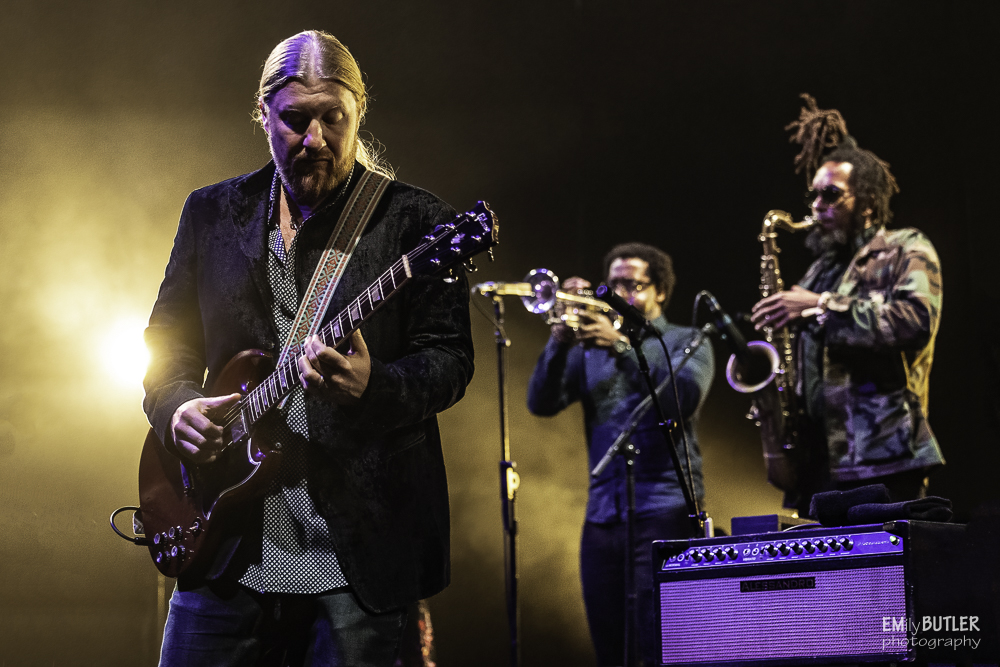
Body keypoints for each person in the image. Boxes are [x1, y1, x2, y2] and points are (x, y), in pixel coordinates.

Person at [142, 30, 474, 666]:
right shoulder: (211, 212)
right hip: (227, 542)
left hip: (357, 553)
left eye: (333, 118)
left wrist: (376, 387)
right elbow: (167, 342)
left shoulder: (417, 222)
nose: (315, 139)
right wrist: (176, 406)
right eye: (295, 119)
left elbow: (451, 361)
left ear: (359, 113)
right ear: (263, 113)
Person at [750, 94, 944, 514]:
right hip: (819, 463)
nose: (816, 206)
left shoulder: (905, 247)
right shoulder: (819, 270)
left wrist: (821, 306)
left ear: (868, 202)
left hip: (884, 457)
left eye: (831, 195)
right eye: (813, 196)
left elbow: (914, 320)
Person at [527, 243, 714, 667]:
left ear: (660, 291)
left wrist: (623, 347)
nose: (620, 293)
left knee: (663, 646)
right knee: (609, 647)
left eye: (633, 284)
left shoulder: (685, 340)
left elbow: (682, 400)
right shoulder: (588, 348)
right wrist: (559, 342)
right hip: (602, 517)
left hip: (665, 510)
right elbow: (540, 403)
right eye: (613, 283)